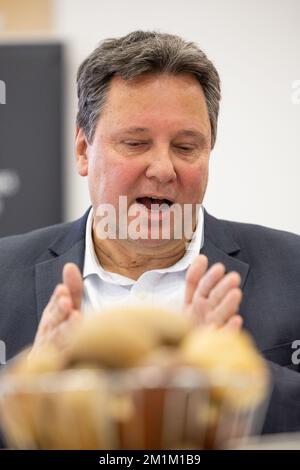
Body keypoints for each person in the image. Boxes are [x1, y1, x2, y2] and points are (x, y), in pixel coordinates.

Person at [0, 31, 300, 434]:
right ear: (83, 150)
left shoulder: (292, 269)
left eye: (186, 147)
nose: (163, 169)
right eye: (136, 143)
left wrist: (234, 376)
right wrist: (29, 392)